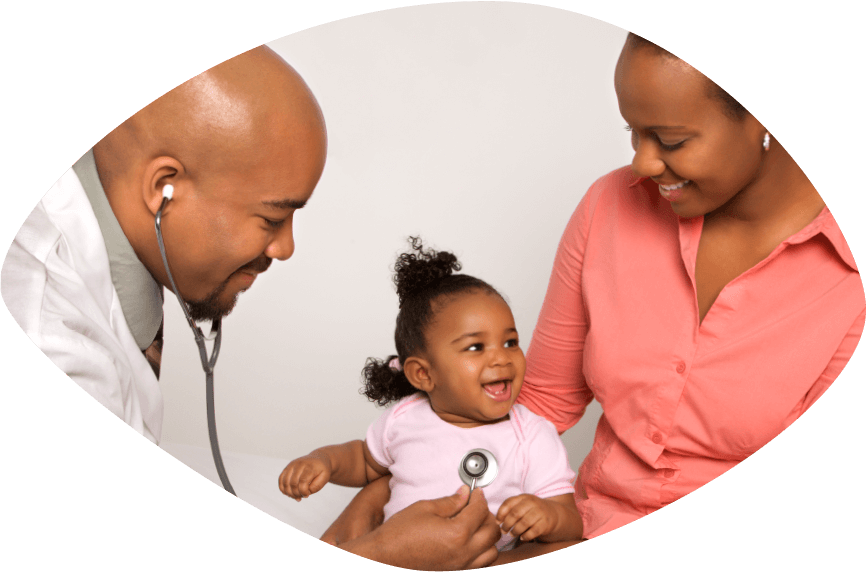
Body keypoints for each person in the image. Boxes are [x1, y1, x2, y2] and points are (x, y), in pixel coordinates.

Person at [317, 32, 865, 554]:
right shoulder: (611, 206)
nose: (643, 163)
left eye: (671, 140)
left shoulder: (846, 283)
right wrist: (394, 487)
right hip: (584, 525)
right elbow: (537, 404)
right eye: (633, 132)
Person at [0, 46, 502, 570]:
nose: (285, 248)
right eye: (270, 218)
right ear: (162, 189)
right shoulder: (48, 332)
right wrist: (382, 558)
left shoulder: (116, 248)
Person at [279, 237, 583, 555]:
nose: (501, 358)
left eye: (510, 342)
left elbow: (570, 523)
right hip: (404, 553)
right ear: (424, 374)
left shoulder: (532, 436)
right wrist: (324, 461)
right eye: (476, 347)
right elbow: (365, 461)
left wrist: (548, 516)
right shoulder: (405, 419)